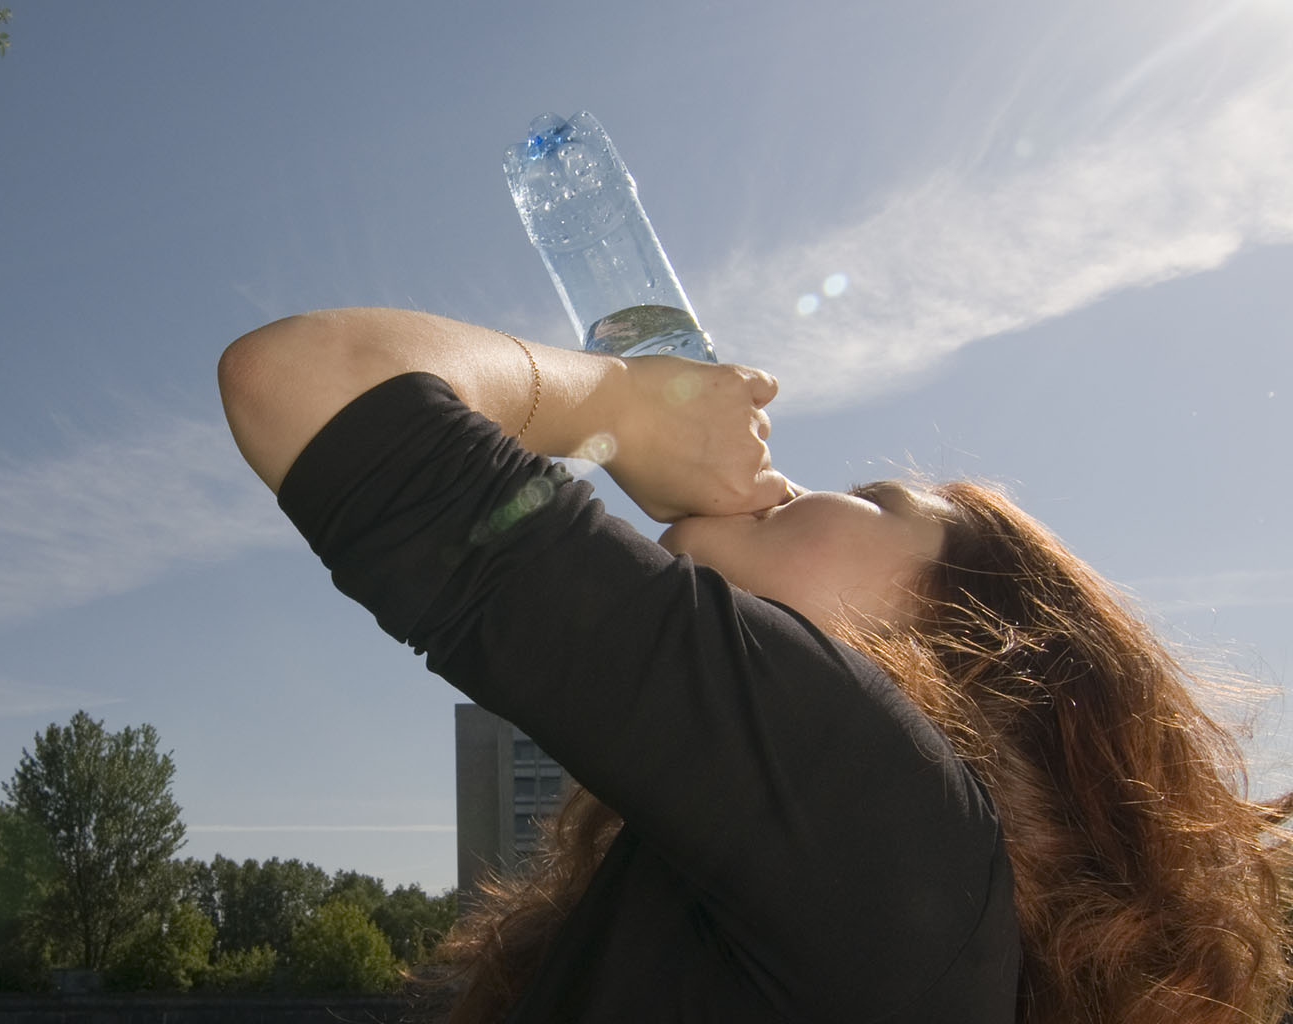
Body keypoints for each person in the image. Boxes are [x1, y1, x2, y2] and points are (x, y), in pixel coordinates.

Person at [217, 307, 1292, 1024]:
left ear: (976, 649)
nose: (791, 483)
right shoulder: (892, 912)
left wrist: (621, 404)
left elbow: (313, 379)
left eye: (877, 499)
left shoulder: (895, 818)